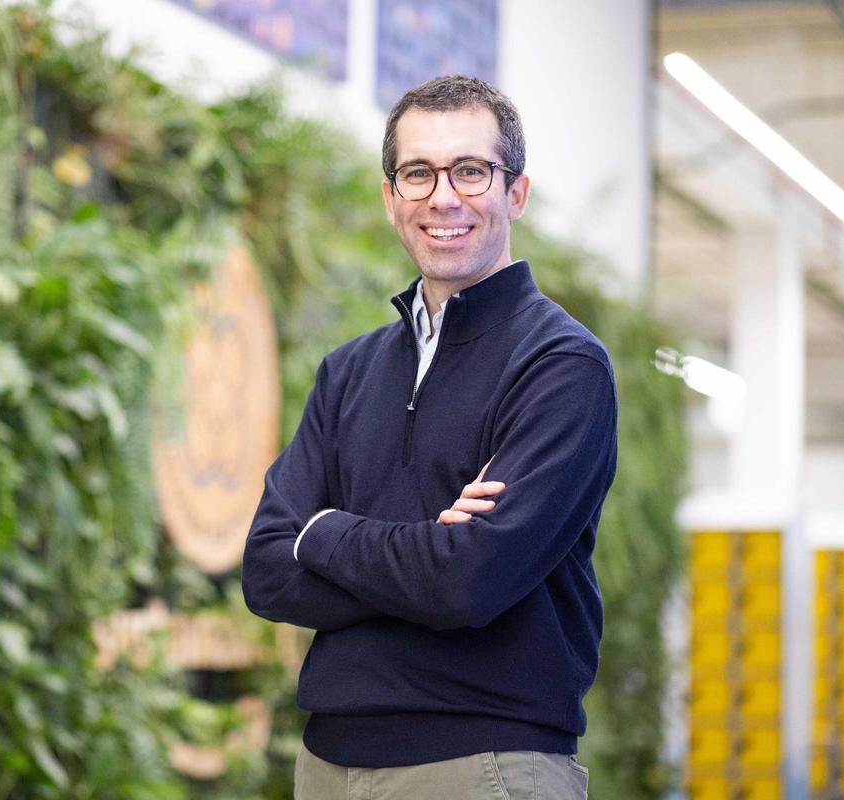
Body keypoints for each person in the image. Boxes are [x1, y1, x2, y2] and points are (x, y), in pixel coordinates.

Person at [241, 75, 617, 799]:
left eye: (470, 171)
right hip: (325, 767)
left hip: (486, 765)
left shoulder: (561, 367)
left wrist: (320, 533)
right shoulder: (347, 372)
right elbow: (265, 569)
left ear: (516, 193)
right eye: (418, 173)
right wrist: (427, 550)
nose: (443, 197)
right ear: (391, 198)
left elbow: (470, 582)